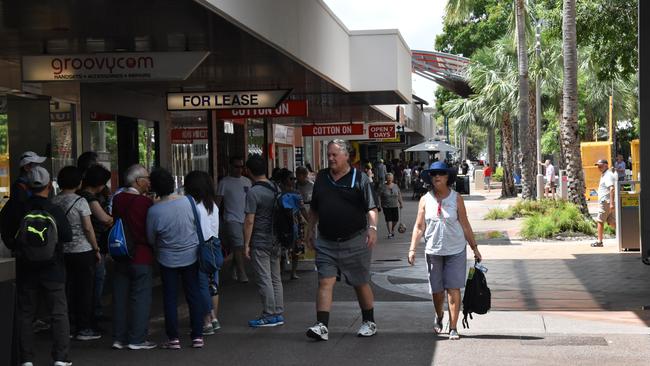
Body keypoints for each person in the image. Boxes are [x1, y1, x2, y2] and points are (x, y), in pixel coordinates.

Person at [305, 139, 379, 341]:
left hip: (355, 240)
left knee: (360, 282)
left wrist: (372, 228)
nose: (330, 158)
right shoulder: (321, 177)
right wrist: (310, 230)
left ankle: (369, 321)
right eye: (328, 154)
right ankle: (322, 326)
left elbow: (371, 208)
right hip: (326, 241)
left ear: (347, 156)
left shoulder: (360, 178)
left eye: (334, 155)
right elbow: (314, 208)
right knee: (324, 281)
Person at [2, 166, 73, 366]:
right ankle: (60, 357)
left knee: (25, 313)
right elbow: (67, 235)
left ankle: (26, 359)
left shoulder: (18, 208)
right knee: (58, 313)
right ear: (49, 186)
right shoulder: (54, 209)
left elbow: (7, 234)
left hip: (26, 268)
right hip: (53, 268)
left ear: (28, 186)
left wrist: (19, 248)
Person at [407, 162, 482, 340]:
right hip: (433, 251)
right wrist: (412, 249)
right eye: (433, 174)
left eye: (441, 173)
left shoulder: (456, 198)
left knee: (453, 288)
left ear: (448, 177)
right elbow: (419, 227)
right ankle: (439, 315)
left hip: (455, 249)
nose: (437, 176)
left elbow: (464, 223)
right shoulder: (425, 199)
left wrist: (474, 247)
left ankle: (454, 327)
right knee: (437, 291)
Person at [146, 168, 205, 349]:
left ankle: (173, 339)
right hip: (192, 255)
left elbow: (150, 238)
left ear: (154, 187)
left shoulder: (154, 211)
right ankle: (197, 336)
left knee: (170, 298)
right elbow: (198, 225)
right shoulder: (189, 201)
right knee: (193, 295)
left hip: (167, 258)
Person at [51, 166, 102, 341]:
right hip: (82, 251)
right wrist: (96, 248)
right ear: (79, 182)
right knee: (84, 290)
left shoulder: (54, 201)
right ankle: (83, 328)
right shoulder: (81, 201)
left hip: (61, 252)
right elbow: (88, 228)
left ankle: (67, 326)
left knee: (66, 289)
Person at [110, 164, 157, 350]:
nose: (149, 181)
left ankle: (118, 338)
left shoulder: (118, 198)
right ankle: (137, 339)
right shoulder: (144, 203)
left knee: (120, 298)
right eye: (147, 177)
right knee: (140, 297)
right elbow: (147, 230)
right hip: (141, 254)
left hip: (120, 253)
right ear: (138, 181)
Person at [243, 156, 285, 327]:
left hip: (260, 240)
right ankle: (278, 312)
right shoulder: (275, 187)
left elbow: (249, 220)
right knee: (276, 277)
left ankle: (268, 314)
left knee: (264, 278)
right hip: (277, 239)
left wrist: (246, 244)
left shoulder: (253, 192)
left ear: (249, 171)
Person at [184, 170, 222, 335]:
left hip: (201, 250)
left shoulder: (195, 207)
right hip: (214, 249)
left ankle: (207, 320)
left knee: (201, 287)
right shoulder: (212, 205)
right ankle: (214, 318)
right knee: (213, 285)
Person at [77, 164, 113, 324]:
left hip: (81, 246)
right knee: (96, 280)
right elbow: (105, 219)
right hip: (93, 244)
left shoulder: (78, 194)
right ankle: (93, 315)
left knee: (84, 283)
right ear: (99, 183)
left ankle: (89, 314)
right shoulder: (89, 198)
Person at [216, 157, 251, 283]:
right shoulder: (224, 182)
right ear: (230, 167)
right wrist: (216, 219)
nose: (239, 169)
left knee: (240, 247)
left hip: (246, 218)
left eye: (241, 166)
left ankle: (234, 267)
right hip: (231, 218)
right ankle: (242, 273)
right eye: (236, 166)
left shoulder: (247, 181)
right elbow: (218, 202)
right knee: (238, 246)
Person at [277, 168, 308, 280]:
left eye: (294, 178)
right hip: (283, 222)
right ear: (284, 180)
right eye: (291, 178)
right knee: (282, 247)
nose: (294, 180)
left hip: (296, 222)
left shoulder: (296, 192)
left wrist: (309, 221)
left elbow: (302, 208)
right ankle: (281, 270)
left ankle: (293, 272)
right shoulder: (278, 193)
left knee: (297, 247)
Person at [592, 159, 617, 247]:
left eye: (600, 165)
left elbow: (611, 188)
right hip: (606, 201)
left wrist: (611, 203)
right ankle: (626, 235)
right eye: (598, 166)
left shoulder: (608, 175)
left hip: (605, 202)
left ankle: (599, 241)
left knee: (599, 221)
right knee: (612, 222)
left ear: (606, 165)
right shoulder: (605, 174)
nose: (598, 167)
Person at [378, 173, 403, 239]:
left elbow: (399, 195)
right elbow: (379, 196)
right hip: (386, 206)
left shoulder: (396, 186)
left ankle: (392, 229)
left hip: (394, 205)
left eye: (390, 178)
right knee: (388, 219)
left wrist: (401, 203)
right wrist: (379, 205)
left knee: (395, 220)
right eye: (388, 178)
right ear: (386, 179)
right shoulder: (382, 187)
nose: (389, 180)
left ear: (392, 179)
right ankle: (390, 233)